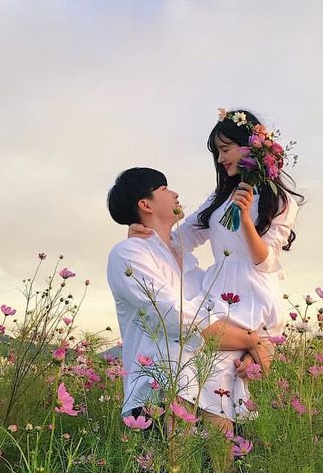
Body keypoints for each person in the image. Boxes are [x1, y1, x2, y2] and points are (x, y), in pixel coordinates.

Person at [129, 109, 303, 422]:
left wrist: (247, 220)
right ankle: (207, 465)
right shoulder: (219, 197)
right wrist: (145, 234)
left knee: (220, 382)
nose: (221, 160)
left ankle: (225, 465)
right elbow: (182, 238)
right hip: (218, 290)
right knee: (209, 378)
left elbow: (267, 261)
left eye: (225, 150)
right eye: (218, 153)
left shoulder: (279, 201)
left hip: (253, 293)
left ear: (251, 147)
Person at [107, 167, 273, 435]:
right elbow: (176, 318)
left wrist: (253, 348)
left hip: (212, 397)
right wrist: (252, 341)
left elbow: (218, 314)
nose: (175, 193)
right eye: (164, 189)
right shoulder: (128, 254)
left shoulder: (189, 262)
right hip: (160, 396)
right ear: (145, 204)